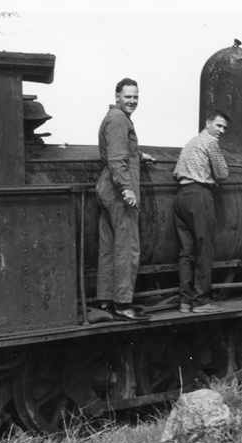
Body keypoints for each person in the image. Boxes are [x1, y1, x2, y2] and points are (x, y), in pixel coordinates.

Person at [95, 78, 155, 321]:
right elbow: (117, 158)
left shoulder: (114, 117)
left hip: (106, 187)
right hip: (119, 189)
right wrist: (127, 188)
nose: (132, 101)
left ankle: (106, 299)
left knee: (108, 247)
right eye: (128, 96)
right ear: (117, 96)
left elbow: (119, 150)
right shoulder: (120, 119)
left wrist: (140, 155)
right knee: (127, 246)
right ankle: (122, 303)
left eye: (136, 97)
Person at [173, 110, 231, 314]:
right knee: (204, 249)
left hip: (181, 196)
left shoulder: (191, 142)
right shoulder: (210, 143)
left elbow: (176, 171)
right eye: (219, 125)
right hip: (199, 195)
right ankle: (201, 301)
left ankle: (185, 302)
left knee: (186, 252)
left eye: (224, 127)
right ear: (208, 124)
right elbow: (222, 174)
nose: (221, 131)